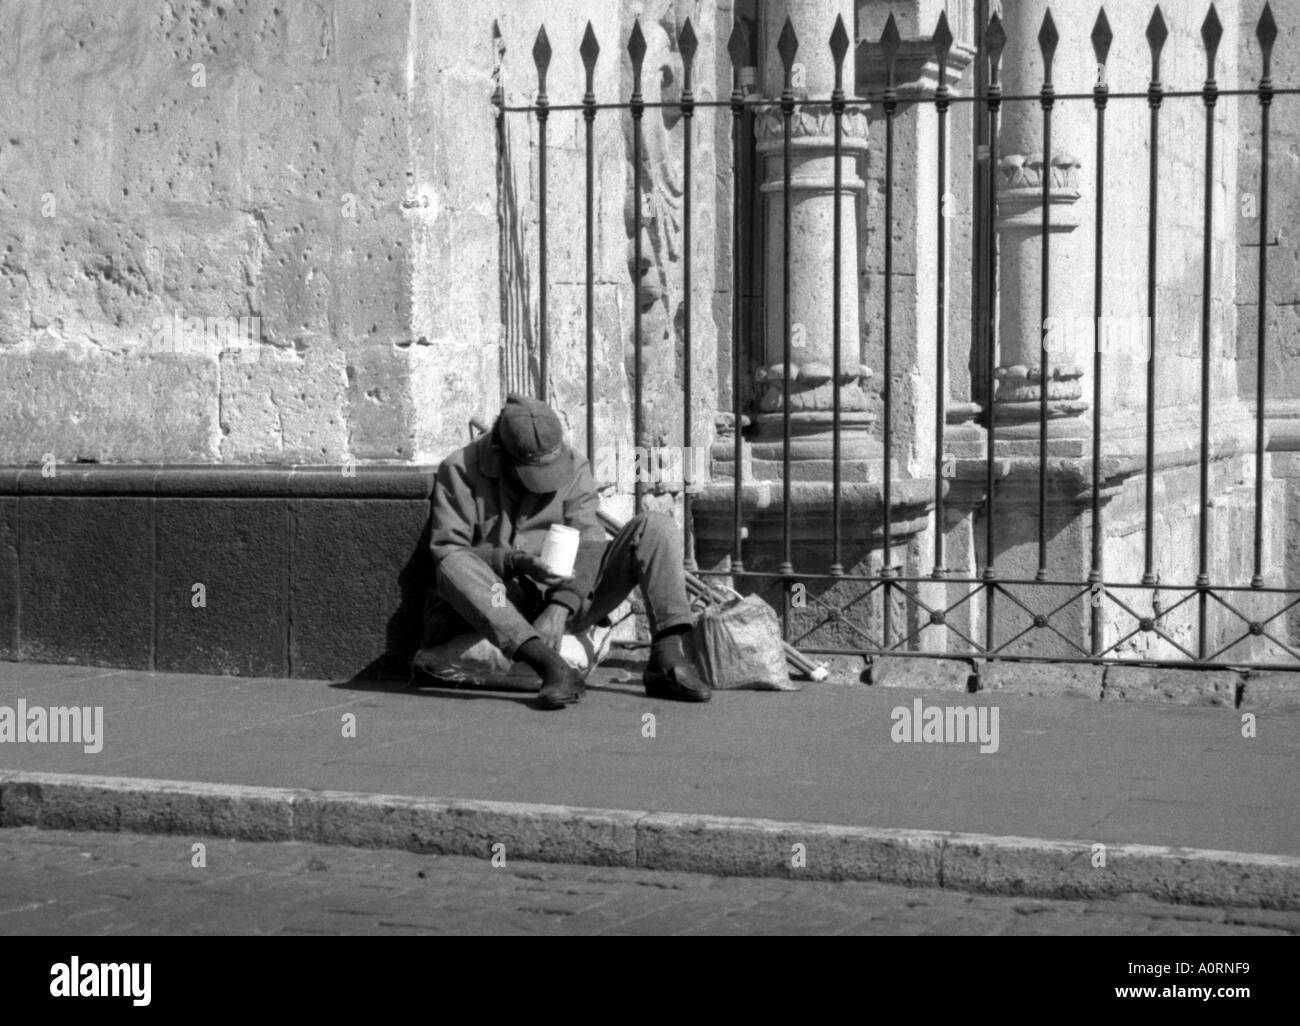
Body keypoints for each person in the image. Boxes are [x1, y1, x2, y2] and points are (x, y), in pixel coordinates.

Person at [422, 393, 710, 710]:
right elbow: (450, 549)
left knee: (655, 526)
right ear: (499, 454)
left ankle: (666, 656)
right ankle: (550, 666)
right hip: (501, 600)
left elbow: (589, 540)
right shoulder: (460, 469)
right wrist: (514, 561)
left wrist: (559, 608)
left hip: (568, 598)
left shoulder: (574, 464)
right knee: (452, 562)